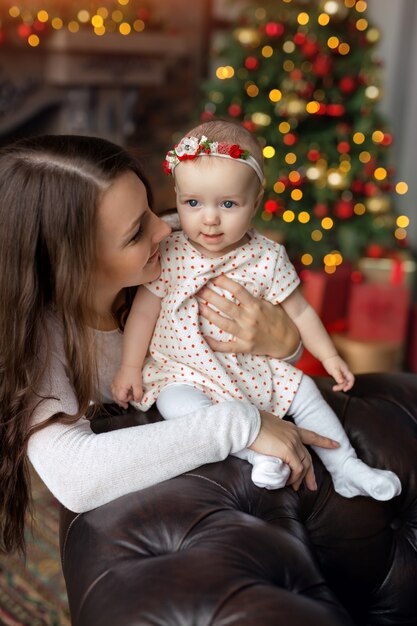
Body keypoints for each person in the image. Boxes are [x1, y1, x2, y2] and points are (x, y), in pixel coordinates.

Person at [0, 134, 339, 555]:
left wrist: (285, 343)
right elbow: (76, 477)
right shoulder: (43, 344)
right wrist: (242, 424)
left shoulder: (186, 243)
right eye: (136, 232)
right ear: (73, 263)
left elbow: (274, 319)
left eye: (149, 207)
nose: (164, 225)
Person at [112, 120, 401, 501]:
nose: (209, 218)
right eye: (193, 203)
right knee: (177, 405)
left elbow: (299, 312)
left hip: (251, 366)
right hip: (185, 371)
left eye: (228, 204)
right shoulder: (170, 253)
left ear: (256, 202)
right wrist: (131, 368)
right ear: (178, 196)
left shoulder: (266, 256)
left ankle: (346, 466)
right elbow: (144, 315)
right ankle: (254, 453)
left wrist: (329, 355)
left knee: (306, 391)